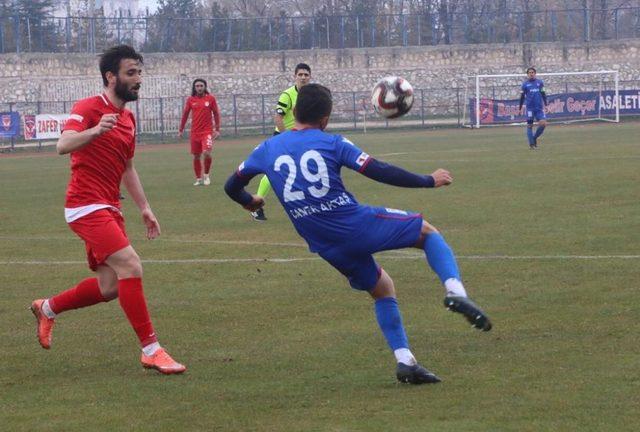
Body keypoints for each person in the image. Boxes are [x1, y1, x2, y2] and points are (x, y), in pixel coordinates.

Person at [224, 84, 492, 384]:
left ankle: (406, 362)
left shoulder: (265, 149)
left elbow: (230, 186)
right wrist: (427, 180)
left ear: (295, 111)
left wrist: (251, 201)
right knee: (427, 233)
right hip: (354, 224)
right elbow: (378, 169)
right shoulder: (332, 142)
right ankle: (456, 292)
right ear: (325, 119)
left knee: (382, 289)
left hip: (325, 245)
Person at [30, 45, 186, 375]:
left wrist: (145, 207)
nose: (138, 79)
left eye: (140, 72)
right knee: (131, 264)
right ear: (110, 76)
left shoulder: (128, 119)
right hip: (84, 205)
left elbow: (128, 168)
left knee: (110, 287)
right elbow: (62, 145)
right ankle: (151, 350)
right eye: (131, 73)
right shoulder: (88, 108)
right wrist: (95, 129)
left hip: (110, 206)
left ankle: (48, 308)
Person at [251, 62, 311, 221]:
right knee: (273, 171)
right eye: (300, 74)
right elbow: (278, 117)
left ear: (310, 77)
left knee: (304, 168)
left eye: (306, 74)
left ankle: (307, 205)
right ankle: (256, 206)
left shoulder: (311, 94)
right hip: (283, 137)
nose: (303, 77)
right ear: (295, 76)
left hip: (301, 138)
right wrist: (286, 138)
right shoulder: (288, 94)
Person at [179, 78, 221, 186]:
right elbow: (185, 115)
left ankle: (206, 175)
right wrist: (181, 129)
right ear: (194, 87)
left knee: (206, 153)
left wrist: (217, 129)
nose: (199, 88)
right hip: (194, 133)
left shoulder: (211, 99)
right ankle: (198, 178)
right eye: (197, 86)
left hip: (207, 132)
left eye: (201, 86)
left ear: (205, 87)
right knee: (196, 156)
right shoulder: (190, 100)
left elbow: (216, 113)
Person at [519, 67, 548, 149]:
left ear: (535, 73)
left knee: (543, 124)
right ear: (527, 74)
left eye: (532, 72)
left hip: (539, 108)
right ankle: (532, 144)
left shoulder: (540, 83)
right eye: (529, 73)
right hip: (530, 109)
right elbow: (522, 97)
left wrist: (546, 105)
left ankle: (534, 138)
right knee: (529, 126)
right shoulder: (525, 84)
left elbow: (543, 94)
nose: (531, 74)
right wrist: (520, 108)